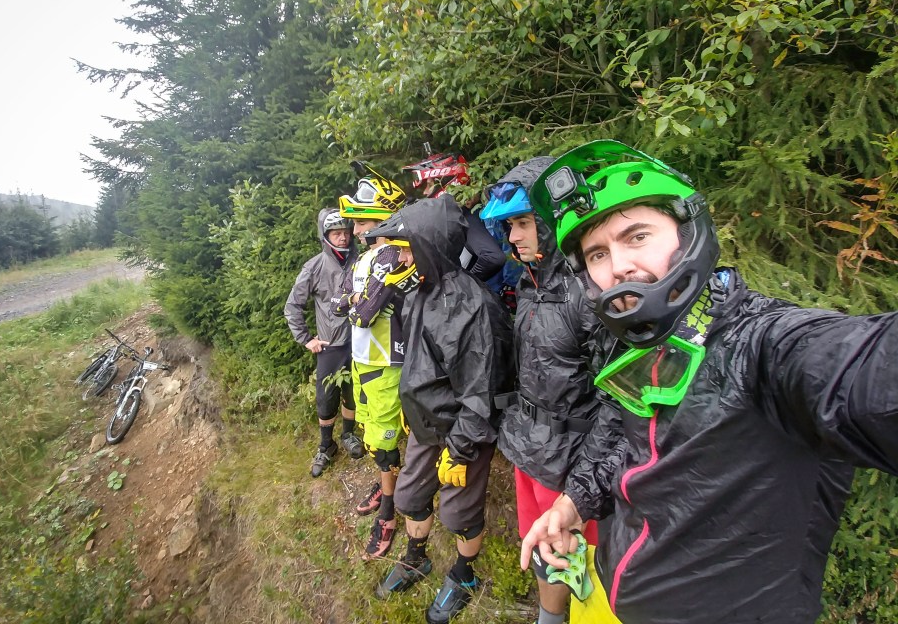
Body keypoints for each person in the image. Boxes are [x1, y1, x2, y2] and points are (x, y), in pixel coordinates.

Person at [519, 140, 898, 624]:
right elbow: (624, 437)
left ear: (689, 231)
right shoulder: (642, 344)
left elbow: (859, 372)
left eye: (637, 236)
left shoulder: (763, 345)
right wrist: (576, 502)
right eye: (597, 254)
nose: (617, 268)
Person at [368, 196, 514, 624]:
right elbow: (418, 362)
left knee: (457, 513)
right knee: (410, 496)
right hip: (426, 424)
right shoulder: (420, 292)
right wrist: (410, 408)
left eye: (406, 247)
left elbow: (482, 389)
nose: (400, 257)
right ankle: (416, 557)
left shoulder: (472, 306)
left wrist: (462, 448)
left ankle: (464, 575)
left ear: (429, 244)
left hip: (462, 431)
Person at [479, 157, 603, 624]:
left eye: (524, 223)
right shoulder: (529, 284)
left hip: (572, 460)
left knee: (580, 560)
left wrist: (587, 477)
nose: (513, 236)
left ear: (553, 221)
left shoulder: (589, 293)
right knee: (541, 550)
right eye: (509, 226)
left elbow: (617, 401)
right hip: (528, 445)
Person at [333, 167, 409, 559]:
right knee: (371, 430)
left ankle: (389, 513)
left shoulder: (395, 255)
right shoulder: (365, 258)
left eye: (361, 220)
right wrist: (355, 302)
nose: (355, 228)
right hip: (363, 356)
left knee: (385, 439)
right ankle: (385, 482)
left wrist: (355, 304)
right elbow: (340, 302)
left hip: (388, 358)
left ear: (381, 219)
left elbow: (362, 314)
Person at [284, 208, 364, 478]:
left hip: (359, 342)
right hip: (330, 346)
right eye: (336, 233)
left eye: (346, 232)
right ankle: (326, 445)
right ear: (325, 235)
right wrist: (306, 339)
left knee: (353, 392)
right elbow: (292, 306)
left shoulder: (361, 261)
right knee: (326, 398)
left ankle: (349, 435)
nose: (343, 238)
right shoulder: (315, 266)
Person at [402, 150, 506, 284]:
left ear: (449, 182)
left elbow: (493, 258)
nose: (425, 192)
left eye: (429, 185)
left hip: (487, 294)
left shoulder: (464, 218)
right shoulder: (460, 216)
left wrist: (465, 285)